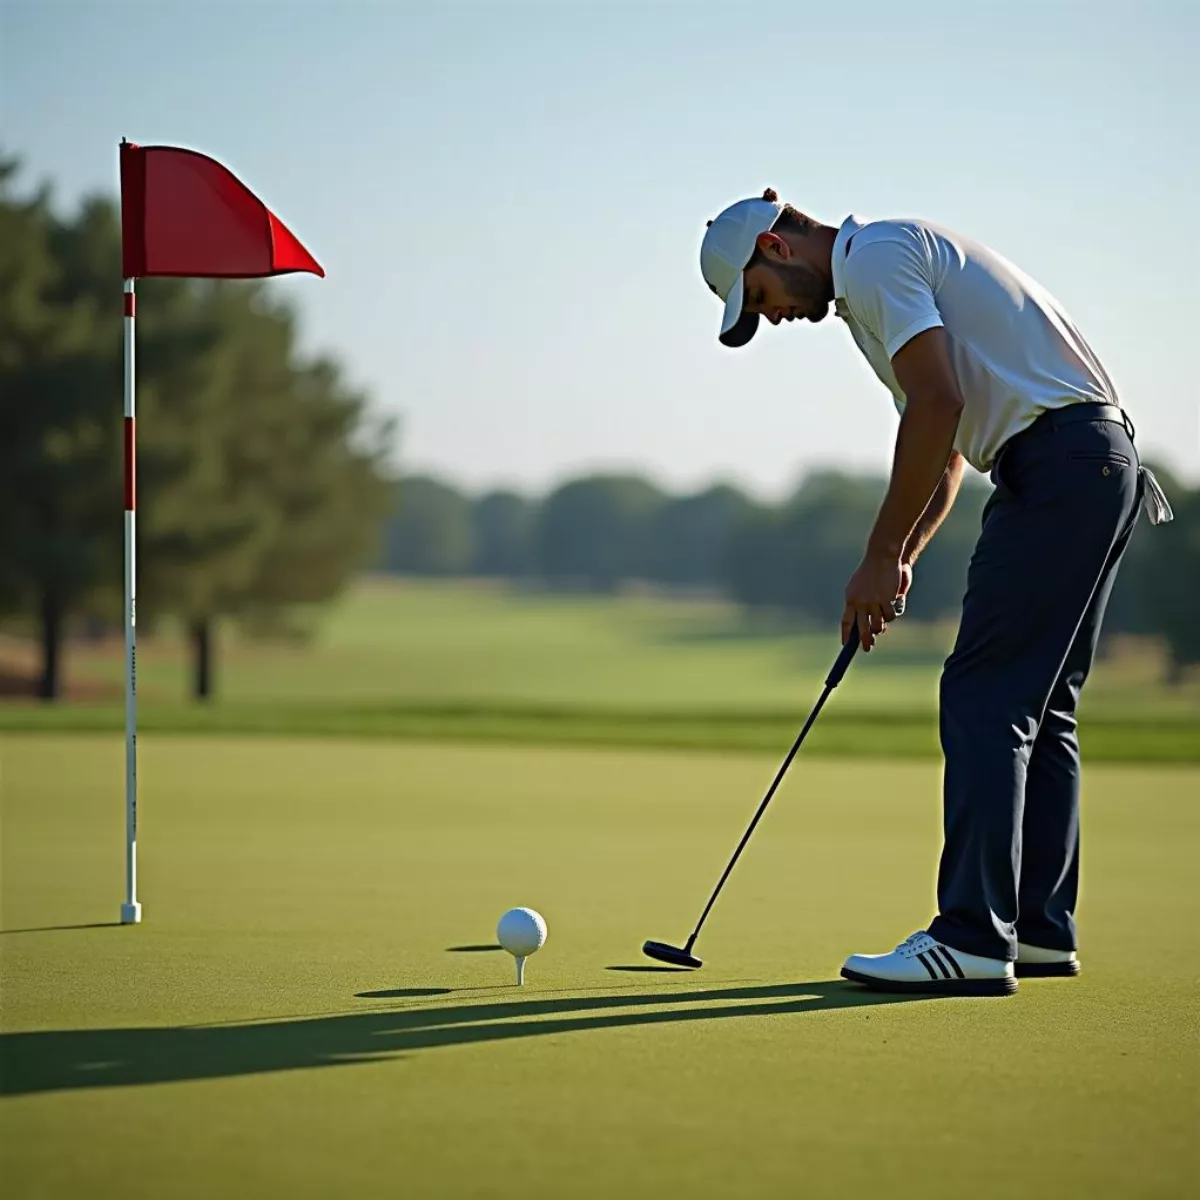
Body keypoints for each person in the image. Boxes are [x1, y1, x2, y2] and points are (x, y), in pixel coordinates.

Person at [700, 188, 1173, 996]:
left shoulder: (879, 257)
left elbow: (938, 402)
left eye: (757, 298)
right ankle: (1035, 932)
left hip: (1059, 467)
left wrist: (878, 554)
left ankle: (971, 937)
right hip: (1094, 465)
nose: (768, 316)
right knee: (1040, 702)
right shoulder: (872, 286)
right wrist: (908, 556)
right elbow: (948, 447)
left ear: (775, 249)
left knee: (985, 695)